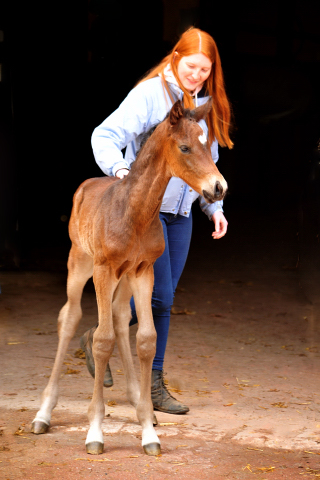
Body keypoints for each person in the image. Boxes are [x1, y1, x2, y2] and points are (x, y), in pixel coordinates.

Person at [80, 27, 233, 415]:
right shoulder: (149, 94)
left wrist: (213, 209)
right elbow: (105, 134)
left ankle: (125, 357)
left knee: (163, 302)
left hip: (180, 214)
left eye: (205, 70)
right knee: (159, 296)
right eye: (192, 66)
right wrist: (119, 169)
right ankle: (146, 376)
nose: (197, 76)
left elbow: (202, 163)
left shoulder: (202, 106)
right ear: (176, 57)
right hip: (143, 213)